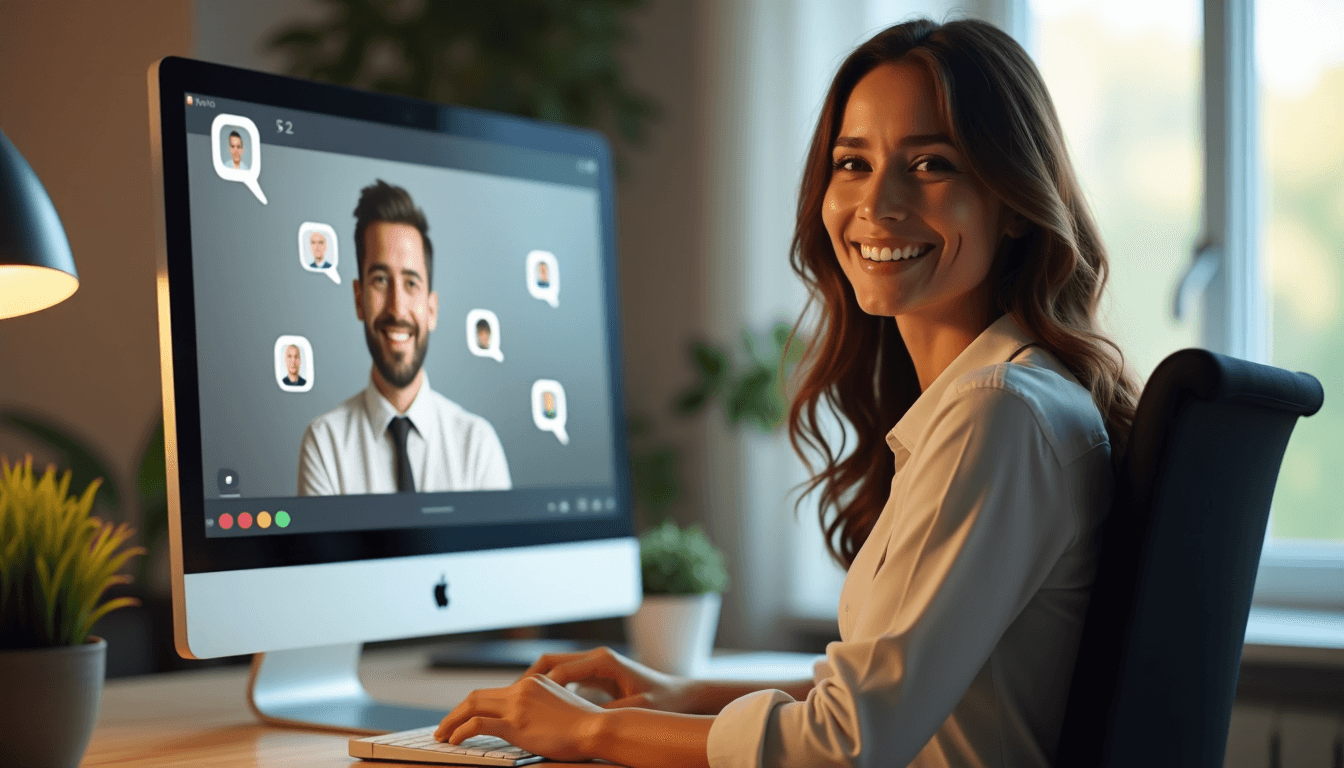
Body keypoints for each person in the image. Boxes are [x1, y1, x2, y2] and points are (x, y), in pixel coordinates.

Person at [432, 17, 1139, 768]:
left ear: (1015, 203)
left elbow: (841, 746)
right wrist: (682, 692)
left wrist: (585, 730)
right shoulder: (1014, 401)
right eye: (852, 163)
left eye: (931, 164)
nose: (879, 203)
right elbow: (885, 699)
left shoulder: (998, 414)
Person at [298, 180, 511, 495]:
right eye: (381, 280)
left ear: (432, 308)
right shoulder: (324, 445)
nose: (397, 308)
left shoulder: (478, 447)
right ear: (359, 299)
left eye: (411, 283)